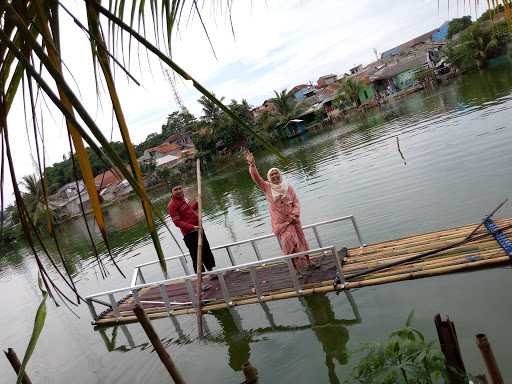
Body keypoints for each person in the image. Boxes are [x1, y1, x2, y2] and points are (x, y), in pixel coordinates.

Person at [244, 151, 316, 271]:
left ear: (280, 174)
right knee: (289, 243)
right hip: (282, 224)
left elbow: (296, 202)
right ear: (269, 177)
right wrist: (252, 165)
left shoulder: (288, 187)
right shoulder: (267, 187)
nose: (275, 176)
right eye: (272, 174)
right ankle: (296, 268)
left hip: (293, 220)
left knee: (301, 239)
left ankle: (308, 262)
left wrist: (294, 215)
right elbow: (256, 178)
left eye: (276, 173)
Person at [167, 184, 217, 287]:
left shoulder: (183, 200)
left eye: (180, 188)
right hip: (190, 234)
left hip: (199, 229)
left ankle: (211, 273)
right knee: (196, 256)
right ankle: (201, 282)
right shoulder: (172, 205)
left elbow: (190, 210)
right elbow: (177, 222)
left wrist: (198, 202)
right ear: (172, 192)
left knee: (206, 251)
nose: (179, 191)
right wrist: (192, 227)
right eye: (175, 189)